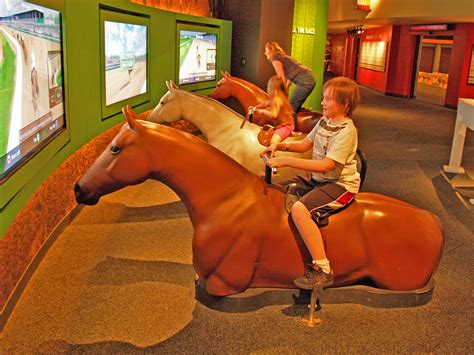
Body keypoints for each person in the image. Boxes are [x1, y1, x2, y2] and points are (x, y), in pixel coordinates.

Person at [261, 77, 361, 289]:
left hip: (340, 185)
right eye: (323, 98)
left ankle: (323, 268)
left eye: (327, 99)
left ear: (344, 105)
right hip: (319, 180)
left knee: (299, 209)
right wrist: (279, 147)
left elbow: (327, 165)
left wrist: (286, 161)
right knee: (275, 190)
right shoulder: (324, 122)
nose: (322, 103)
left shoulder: (347, 131)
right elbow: (305, 144)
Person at [264, 41, 316, 131]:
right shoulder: (283, 57)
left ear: (270, 50)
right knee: (293, 104)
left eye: (266, 51)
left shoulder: (275, 58)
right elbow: (290, 77)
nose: (265, 53)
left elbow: (281, 77)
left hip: (305, 80)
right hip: (308, 78)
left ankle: (291, 130)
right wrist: (286, 89)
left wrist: (281, 93)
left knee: (291, 108)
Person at [249, 75, 295, 147]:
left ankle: (272, 154)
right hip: (280, 125)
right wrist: (254, 108)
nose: (267, 88)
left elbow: (274, 115)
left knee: (273, 140)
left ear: (273, 89)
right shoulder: (274, 99)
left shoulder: (277, 100)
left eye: (268, 87)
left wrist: (262, 112)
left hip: (286, 126)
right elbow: (265, 103)